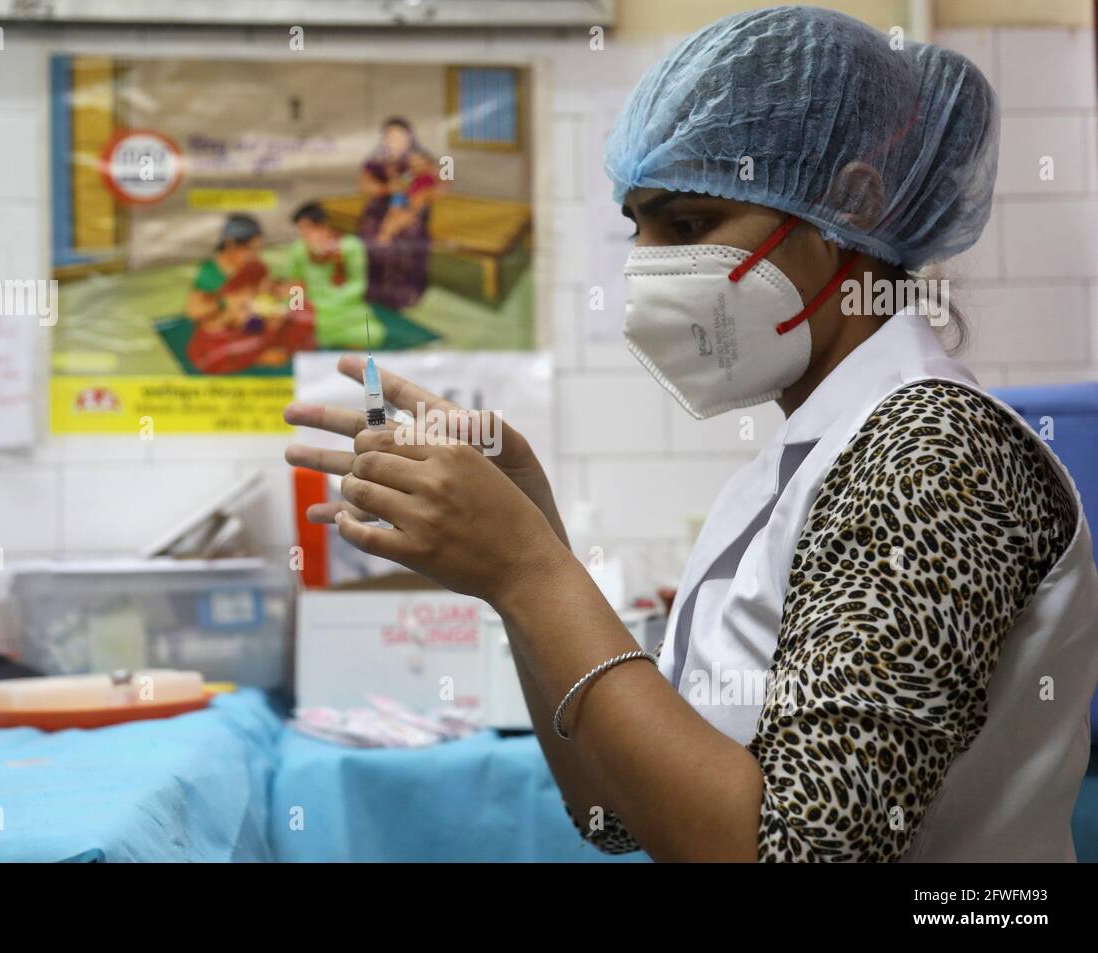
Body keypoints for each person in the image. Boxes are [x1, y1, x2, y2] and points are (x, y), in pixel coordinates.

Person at [283, 6, 1098, 862]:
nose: (650, 269)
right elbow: (616, 812)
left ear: (850, 202)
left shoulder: (935, 450)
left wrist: (528, 569)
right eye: (638, 228)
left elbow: (791, 853)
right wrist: (525, 552)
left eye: (689, 225)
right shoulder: (797, 468)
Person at [185, 213, 313, 374]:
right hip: (224, 334)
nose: (254, 254)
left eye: (257, 249)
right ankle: (259, 353)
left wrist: (286, 289)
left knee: (301, 305)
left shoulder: (255, 266)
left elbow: (265, 290)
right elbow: (194, 311)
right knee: (216, 352)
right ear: (231, 244)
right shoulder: (211, 272)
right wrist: (225, 303)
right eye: (250, 249)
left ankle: (271, 346)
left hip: (256, 321)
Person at [358, 118, 438, 311]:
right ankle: (375, 292)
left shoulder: (421, 160)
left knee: (408, 233)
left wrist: (411, 199)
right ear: (384, 139)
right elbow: (365, 186)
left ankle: (403, 295)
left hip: (411, 207)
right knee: (370, 230)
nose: (395, 141)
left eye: (400, 136)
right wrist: (387, 188)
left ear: (409, 138)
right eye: (391, 136)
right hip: (380, 206)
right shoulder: (375, 162)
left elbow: (434, 186)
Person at [285, 202, 384, 350]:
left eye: (308, 228)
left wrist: (332, 302)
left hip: (345, 307)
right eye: (301, 229)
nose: (304, 233)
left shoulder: (351, 246)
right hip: (313, 306)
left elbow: (358, 285)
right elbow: (295, 283)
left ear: (324, 226)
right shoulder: (298, 249)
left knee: (374, 333)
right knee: (295, 325)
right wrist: (296, 307)